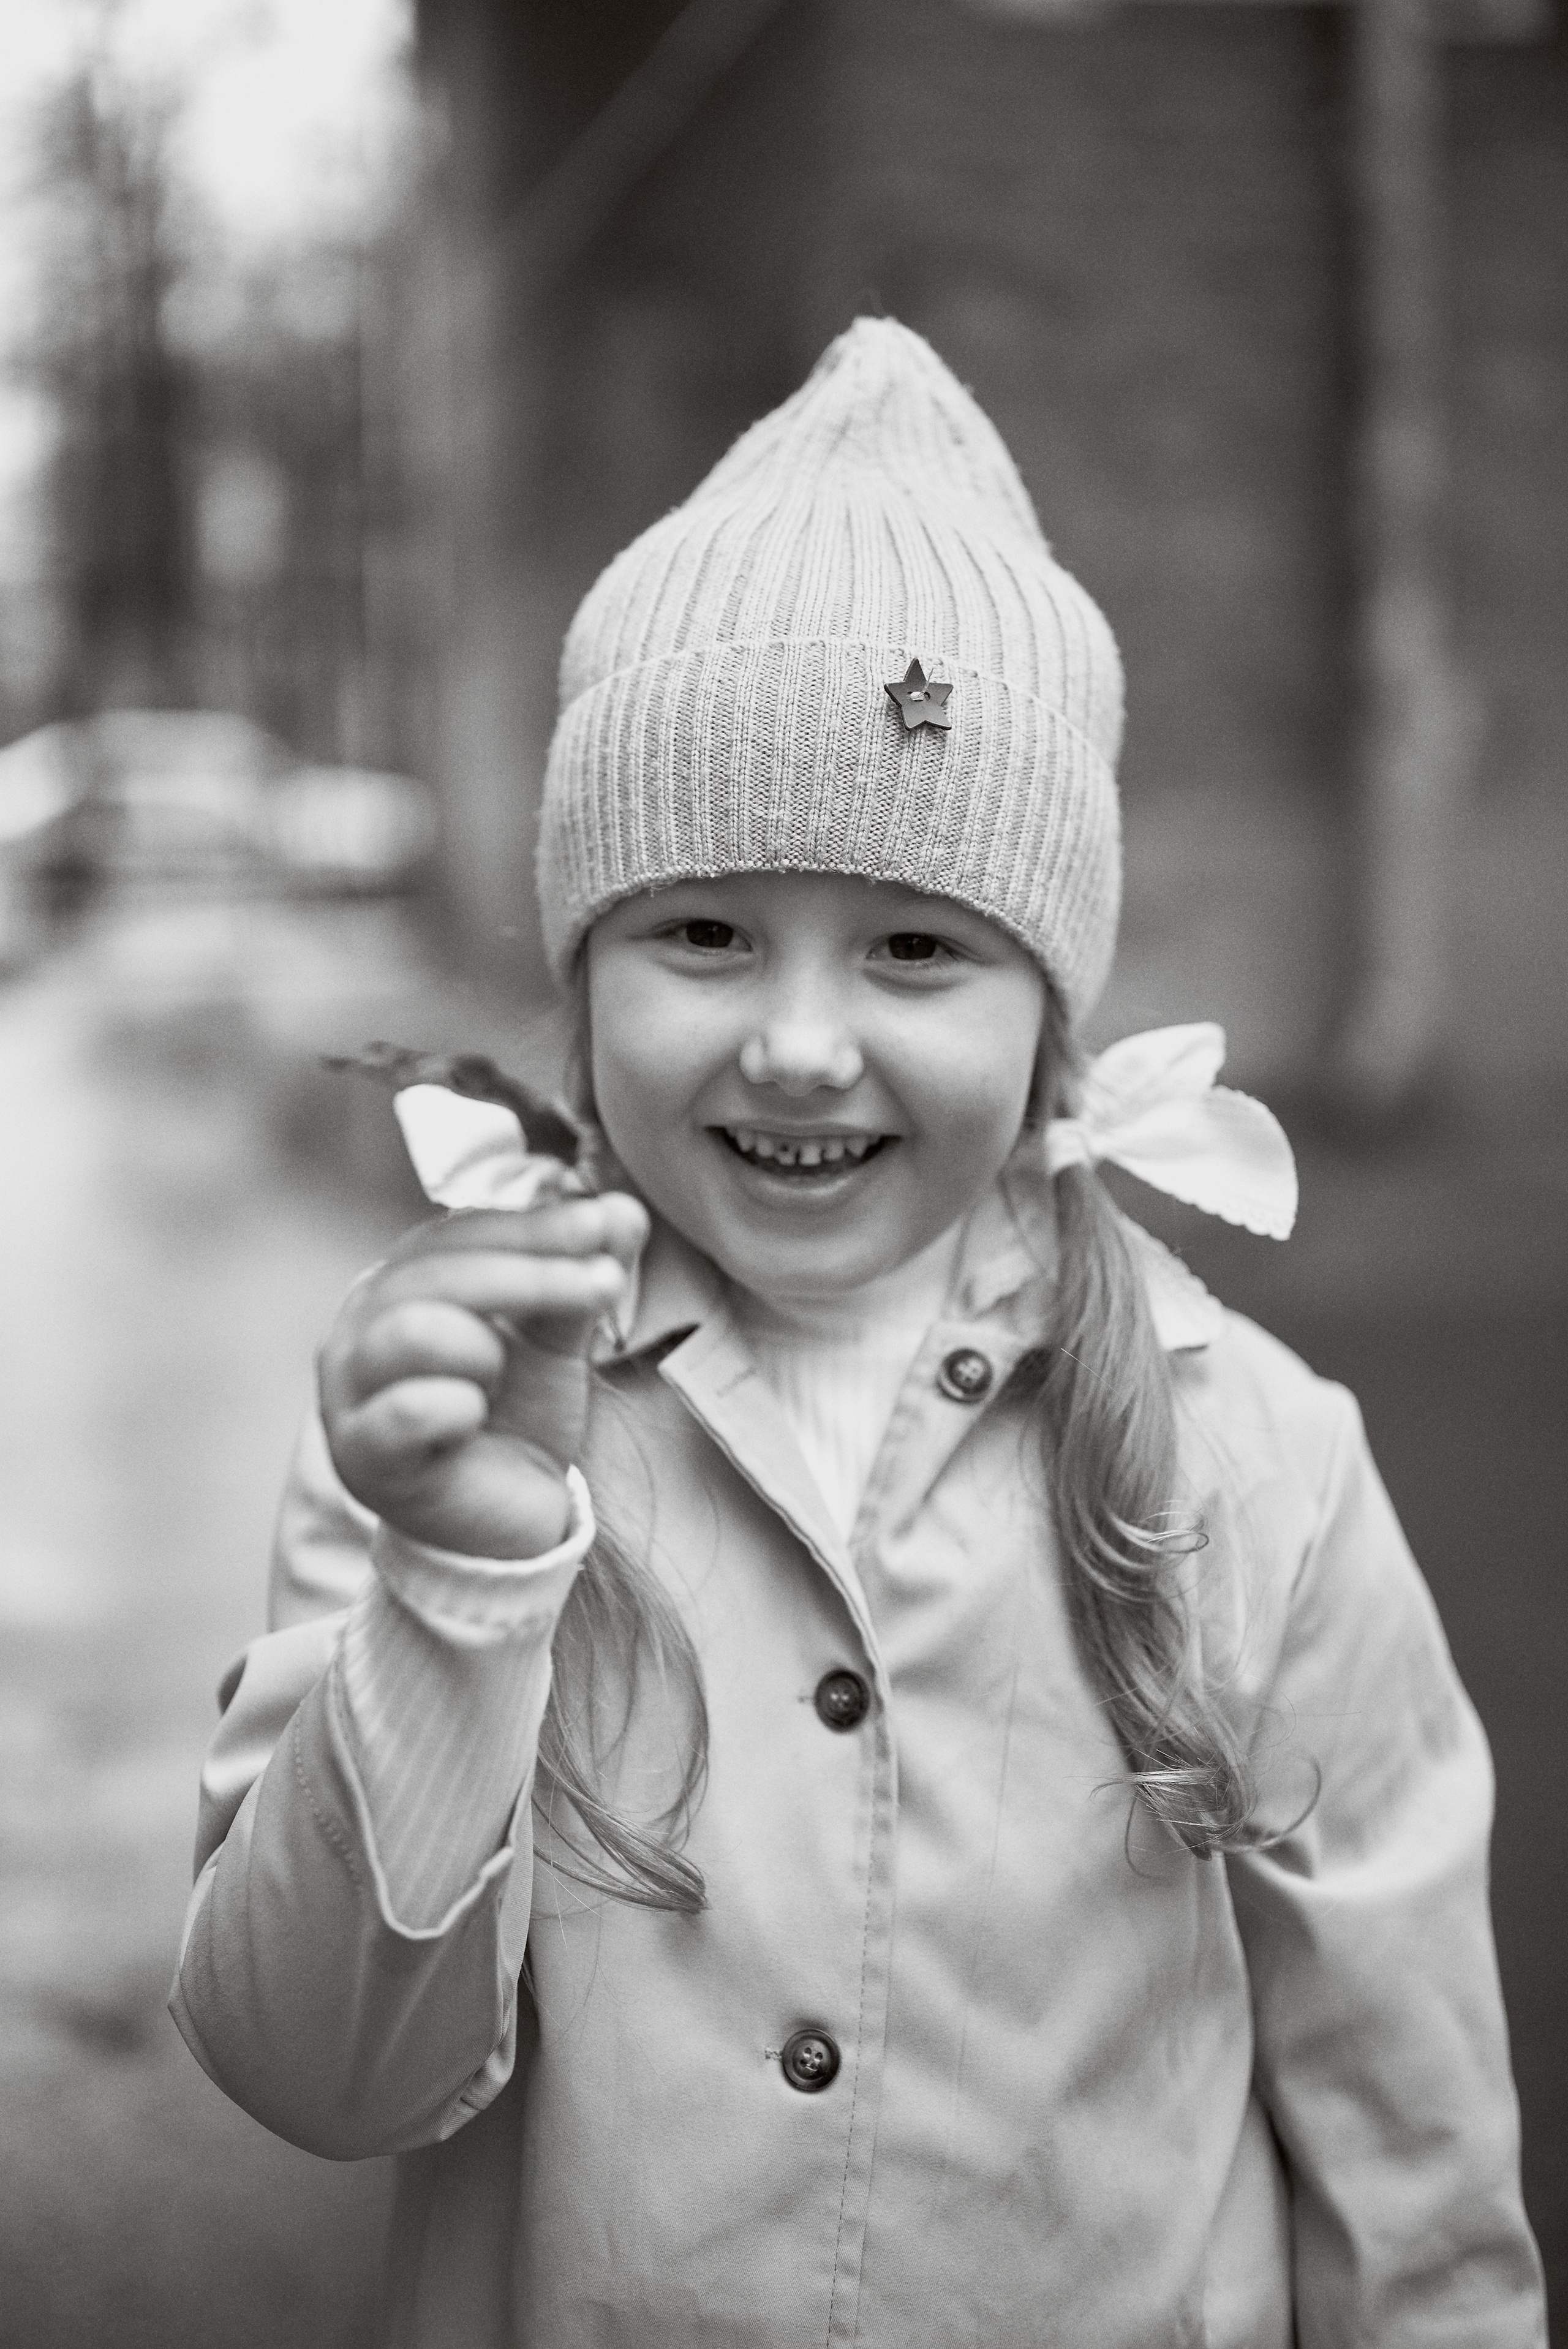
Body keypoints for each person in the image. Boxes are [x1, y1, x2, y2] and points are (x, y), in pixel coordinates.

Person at [171, 320, 1545, 2349]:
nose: (801, 1043)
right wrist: (460, 1576)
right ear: (581, 966)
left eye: (916, 945)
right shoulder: (446, 1433)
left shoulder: (1256, 1455)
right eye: (703, 928)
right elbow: (312, 2070)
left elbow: (1416, 2170)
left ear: (1048, 1007)